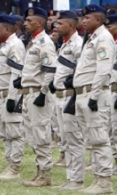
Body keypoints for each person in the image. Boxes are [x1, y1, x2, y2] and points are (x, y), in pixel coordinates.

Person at [72, 5, 114, 193]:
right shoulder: (91, 38)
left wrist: (94, 96)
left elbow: (104, 70)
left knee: (99, 139)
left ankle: (104, 182)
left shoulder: (103, 38)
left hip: (93, 94)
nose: (84, 21)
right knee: (91, 140)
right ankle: (98, 179)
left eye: (87, 18)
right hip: (83, 93)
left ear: (98, 20)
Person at [19, 7, 56, 187]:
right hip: (28, 92)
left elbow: (50, 70)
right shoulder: (33, 41)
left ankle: (45, 175)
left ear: (40, 22)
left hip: (37, 93)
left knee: (40, 134)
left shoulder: (44, 42)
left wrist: (43, 93)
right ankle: (39, 171)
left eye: (29, 21)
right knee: (32, 135)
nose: (25, 23)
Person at [50, 10, 85, 191]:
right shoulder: (64, 44)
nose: (56, 26)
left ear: (71, 25)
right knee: (65, 139)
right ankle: (71, 177)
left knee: (74, 139)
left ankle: (77, 179)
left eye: (60, 23)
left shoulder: (78, 43)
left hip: (70, 96)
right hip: (59, 96)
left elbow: (80, 68)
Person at [0, 14, 25, 180]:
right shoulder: (4, 45)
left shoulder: (15, 45)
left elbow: (16, 73)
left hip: (8, 96)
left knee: (14, 133)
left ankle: (15, 168)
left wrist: (12, 98)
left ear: (7, 29)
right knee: (4, 134)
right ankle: (8, 165)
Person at [105, 13, 117, 176]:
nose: (107, 29)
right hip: (110, 91)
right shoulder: (111, 43)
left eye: (110, 26)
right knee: (111, 131)